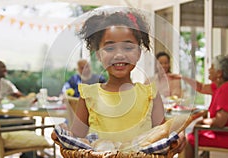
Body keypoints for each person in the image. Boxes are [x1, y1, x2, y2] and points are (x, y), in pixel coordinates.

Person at [53, 8, 186, 155]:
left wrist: (176, 136)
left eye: (128, 47)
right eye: (110, 48)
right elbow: (76, 140)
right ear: (98, 55)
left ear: (138, 54)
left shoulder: (150, 94)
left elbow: (162, 135)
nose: (119, 55)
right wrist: (62, 134)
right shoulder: (88, 95)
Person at [170, 54, 228, 157]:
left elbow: (220, 122)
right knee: (192, 135)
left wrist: (201, 122)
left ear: (219, 73)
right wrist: (181, 77)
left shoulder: (226, 90)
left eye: (212, 67)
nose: (209, 69)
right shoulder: (222, 85)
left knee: (186, 140)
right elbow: (201, 87)